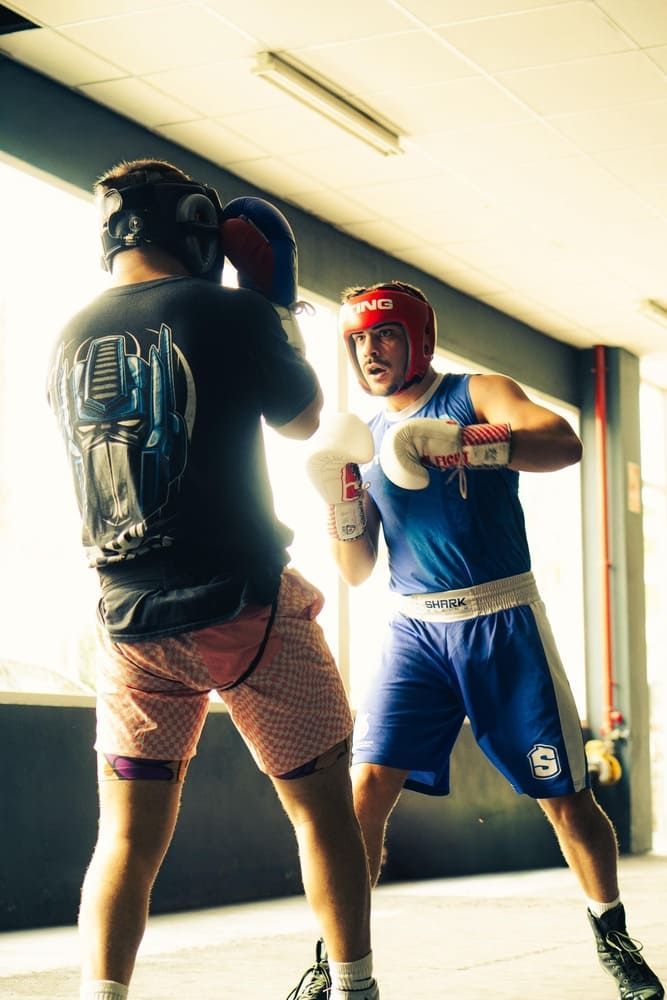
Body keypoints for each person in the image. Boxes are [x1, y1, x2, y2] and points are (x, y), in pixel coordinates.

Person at [47, 158, 380, 1000]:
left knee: (125, 841)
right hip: (245, 610)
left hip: (129, 625)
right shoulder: (230, 311)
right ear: (196, 226)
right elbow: (304, 419)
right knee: (321, 812)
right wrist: (275, 307)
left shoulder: (68, 335)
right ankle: (354, 989)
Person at [297, 279, 664, 1000]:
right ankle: (336, 962)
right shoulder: (360, 440)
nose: (370, 351)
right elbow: (357, 568)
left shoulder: (475, 392)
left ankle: (613, 936)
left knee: (564, 798)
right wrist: (340, 505)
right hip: (413, 629)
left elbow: (564, 444)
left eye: (385, 334)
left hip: (502, 620)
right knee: (362, 793)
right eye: (358, 340)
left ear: (419, 338)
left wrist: (468, 444)